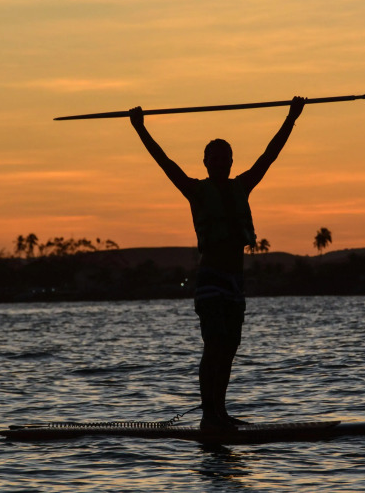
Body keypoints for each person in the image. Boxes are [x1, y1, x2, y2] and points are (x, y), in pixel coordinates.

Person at [129, 96, 306, 429]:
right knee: (214, 346)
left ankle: (220, 412)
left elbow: (270, 154)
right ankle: (209, 415)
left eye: (225, 158)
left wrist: (291, 117)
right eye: (215, 158)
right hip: (211, 280)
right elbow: (164, 161)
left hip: (235, 283)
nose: (221, 163)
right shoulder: (195, 190)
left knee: (230, 347)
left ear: (231, 162)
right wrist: (140, 128)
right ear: (206, 162)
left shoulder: (243, 185)